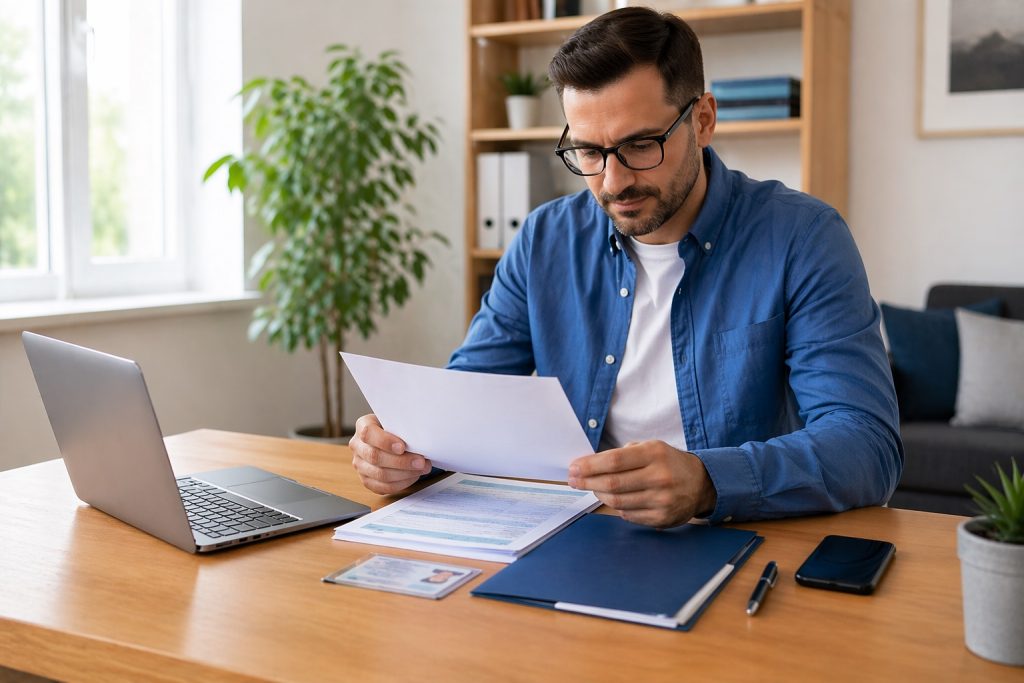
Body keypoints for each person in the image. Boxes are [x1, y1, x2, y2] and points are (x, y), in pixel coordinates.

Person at [349, 7, 903, 528]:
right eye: (588, 152)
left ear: (703, 120)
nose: (612, 183)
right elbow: (467, 403)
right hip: (576, 533)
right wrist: (404, 452)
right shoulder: (545, 239)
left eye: (641, 145)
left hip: (738, 539)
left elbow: (866, 445)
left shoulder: (802, 238)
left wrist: (708, 481)